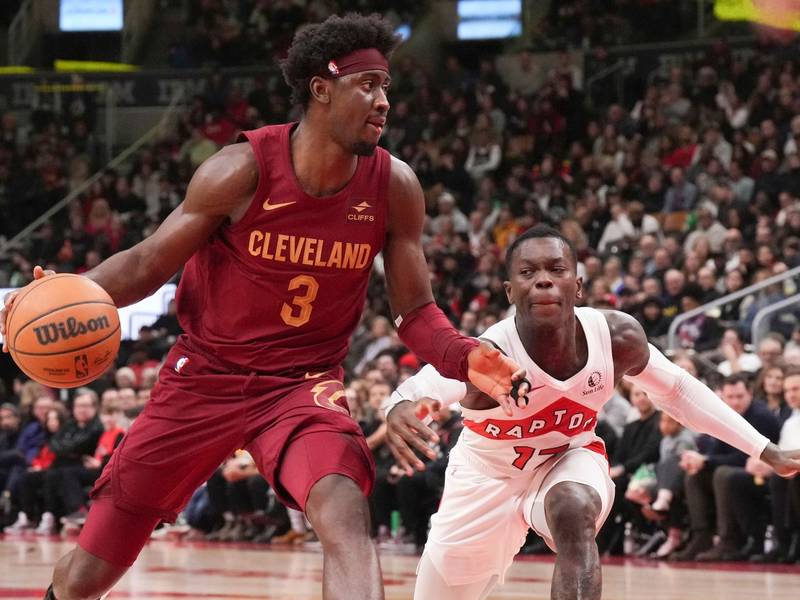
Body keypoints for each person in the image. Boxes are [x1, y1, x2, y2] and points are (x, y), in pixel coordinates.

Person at [0, 15, 523, 600]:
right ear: (321, 89)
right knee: (87, 577)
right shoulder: (239, 170)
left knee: (344, 507)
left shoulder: (394, 186)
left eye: (386, 87)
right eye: (368, 85)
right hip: (204, 376)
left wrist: (463, 356)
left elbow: (415, 312)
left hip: (302, 385)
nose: (383, 102)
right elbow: (147, 263)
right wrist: (67, 291)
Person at [384, 224, 800, 600]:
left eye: (556, 269)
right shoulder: (491, 352)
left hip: (569, 459)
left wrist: (766, 450)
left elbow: (679, 391)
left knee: (573, 507)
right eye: (528, 272)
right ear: (510, 291)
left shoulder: (616, 337)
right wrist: (402, 405)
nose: (544, 279)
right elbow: (426, 386)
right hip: (485, 476)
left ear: (578, 285)